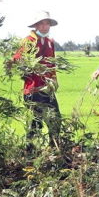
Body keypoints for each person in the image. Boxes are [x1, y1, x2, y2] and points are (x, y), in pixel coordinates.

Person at [17, 11, 60, 145]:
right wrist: (32, 66)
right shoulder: (28, 41)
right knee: (35, 123)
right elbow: (18, 60)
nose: (44, 26)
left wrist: (54, 79)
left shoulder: (49, 42)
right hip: (33, 88)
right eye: (41, 23)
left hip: (47, 89)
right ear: (36, 25)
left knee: (55, 119)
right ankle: (30, 153)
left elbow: (52, 63)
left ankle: (54, 150)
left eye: (46, 23)